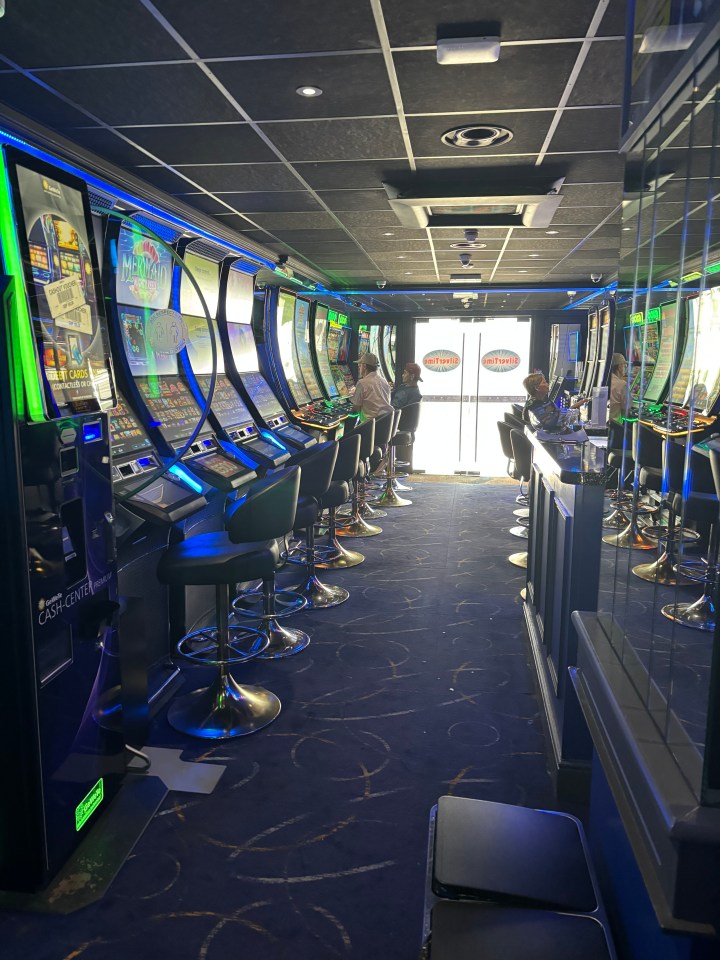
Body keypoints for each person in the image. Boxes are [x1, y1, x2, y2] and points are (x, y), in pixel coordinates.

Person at [351, 351, 393, 421]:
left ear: (364, 366)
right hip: (387, 423)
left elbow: (355, 408)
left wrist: (354, 396)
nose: (359, 369)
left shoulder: (362, 383)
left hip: (370, 426)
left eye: (360, 366)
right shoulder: (384, 381)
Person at [608, 352, 629, 423]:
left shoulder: (605, 381)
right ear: (620, 367)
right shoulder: (622, 384)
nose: (626, 369)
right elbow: (627, 411)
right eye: (625, 366)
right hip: (615, 427)